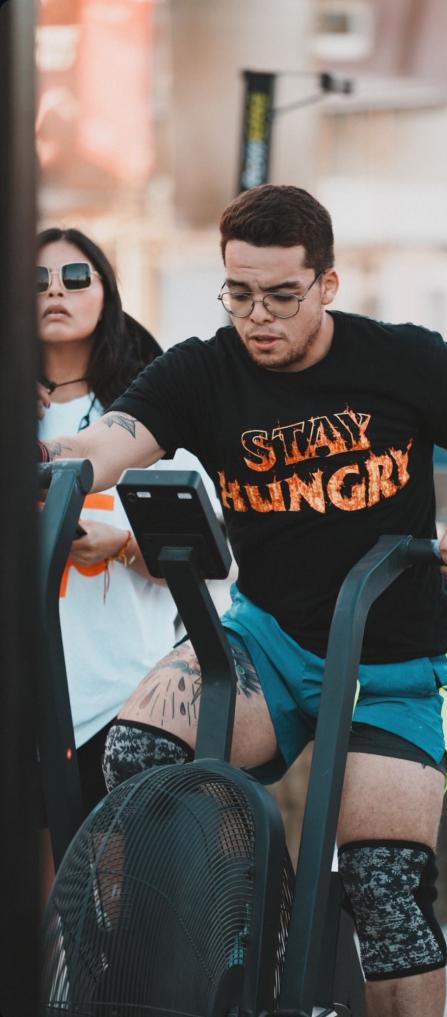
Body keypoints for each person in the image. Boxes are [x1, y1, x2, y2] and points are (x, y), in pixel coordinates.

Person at [38, 186, 447, 1017]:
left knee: (385, 890)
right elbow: (113, 437)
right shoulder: (204, 369)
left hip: (397, 659)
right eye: (240, 292)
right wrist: (58, 458)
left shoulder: (403, 357)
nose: (259, 316)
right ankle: (266, 942)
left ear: (327, 283)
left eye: (283, 296)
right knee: (140, 757)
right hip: (271, 641)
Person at [37, 227, 180, 816]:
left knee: (112, 862)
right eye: (36, 280)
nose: (55, 291)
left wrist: (120, 544)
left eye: (75, 277)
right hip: (25, 692)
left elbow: (201, 559)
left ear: (107, 292)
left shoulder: (149, 414)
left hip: (123, 695)